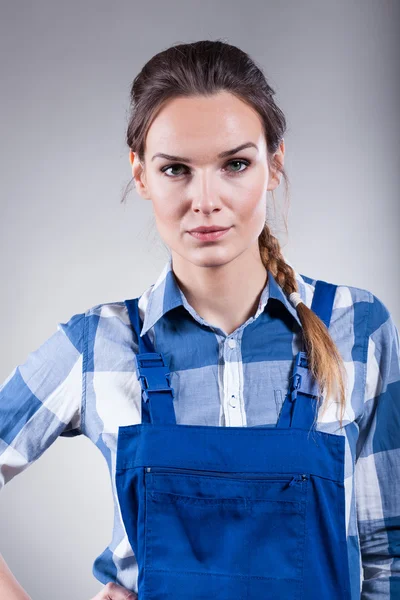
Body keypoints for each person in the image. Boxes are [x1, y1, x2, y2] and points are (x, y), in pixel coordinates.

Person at [1, 39, 399, 600]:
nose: (205, 199)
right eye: (176, 170)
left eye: (235, 164)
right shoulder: (101, 344)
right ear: (141, 175)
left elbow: (390, 555)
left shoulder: (356, 328)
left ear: (274, 165)